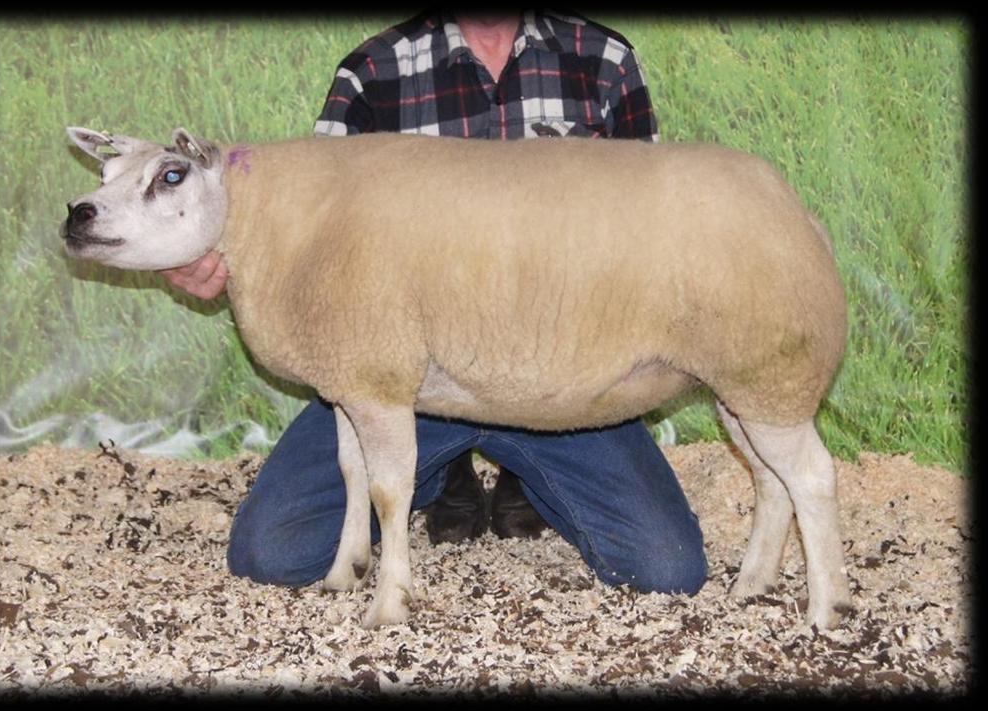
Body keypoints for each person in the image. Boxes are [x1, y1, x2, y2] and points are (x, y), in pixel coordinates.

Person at [161, 10, 708, 596]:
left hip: (563, 374)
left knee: (665, 569)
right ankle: (446, 469)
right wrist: (209, 251)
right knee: (274, 551)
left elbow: (648, 230)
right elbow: (312, 236)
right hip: (408, 376)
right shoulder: (372, 72)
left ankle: (523, 468)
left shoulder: (603, 60)